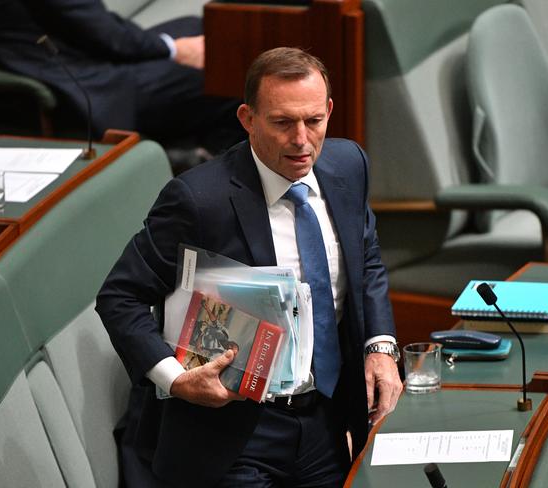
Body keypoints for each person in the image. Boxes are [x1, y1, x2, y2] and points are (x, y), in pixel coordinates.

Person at [96, 47, 403, 487]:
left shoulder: (348, 166)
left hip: (325, 421)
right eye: (282, 123)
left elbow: (366, 258)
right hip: (234, 434)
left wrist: (380, 346)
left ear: (329, 111)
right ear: (247, 118)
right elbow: (120, 297)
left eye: (314, 121)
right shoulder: (199, 201)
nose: (301, 139)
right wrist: (177, 380)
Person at [0, 0, 244, 162]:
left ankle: (192, 151)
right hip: (76, 81)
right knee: (237, 66)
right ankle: (215, 173)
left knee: (207, 28)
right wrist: (173, 48)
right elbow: (101, 32)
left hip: (70, 54)